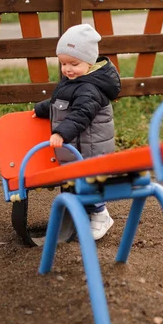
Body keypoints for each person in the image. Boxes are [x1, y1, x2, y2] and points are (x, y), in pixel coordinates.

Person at [32, 24, 121, 240]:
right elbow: (60, 102)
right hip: (79, 147)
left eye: (74, 63)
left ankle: (101, 216)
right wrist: (41, 109)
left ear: (90, 63)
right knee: (76, 183)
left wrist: (61, 133)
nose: (67, 69)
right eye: (63, 63)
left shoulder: (90, 89)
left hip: (90, 147)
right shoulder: (75, 80)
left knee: (89, 183)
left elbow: (81, 113)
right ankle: (79, 218)